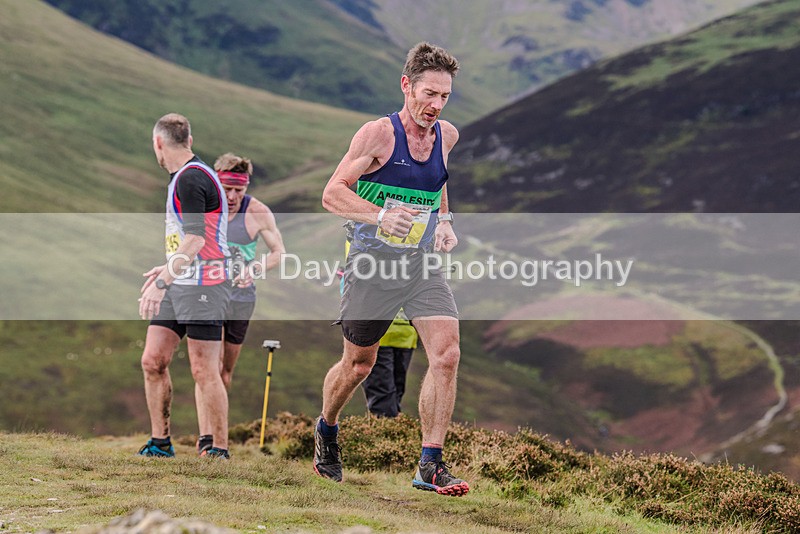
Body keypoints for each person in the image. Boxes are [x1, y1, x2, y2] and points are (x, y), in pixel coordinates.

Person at [316, 42, 469, 496]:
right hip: (371, 266)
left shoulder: (448, 136)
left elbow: (437, 181)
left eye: (444, 96)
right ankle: (326, 428)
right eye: (428, 94)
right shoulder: (377, 135)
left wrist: (443, 221)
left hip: (421, 265)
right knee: (359, 364)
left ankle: (430, 463)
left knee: (447, 354)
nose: (435, 106)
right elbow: (332, 193)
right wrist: (380, 215)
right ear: (406, 86)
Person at [137, 113, 232, 459]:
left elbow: (195, 240)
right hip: (181, 281)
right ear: (188, 140)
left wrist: (162, 281)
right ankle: (160, 442)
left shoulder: (191, 179)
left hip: (205, 285)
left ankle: (218, 448)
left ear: (158, 144)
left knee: (203, 369)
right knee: (153, 360)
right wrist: (166, 270)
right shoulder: (184, 176)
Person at [195, 153, 286, 455]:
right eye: (227, 189)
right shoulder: (205, 207)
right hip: (207, 293)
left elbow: (278, 253)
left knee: (224, 371)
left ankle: (215, 427)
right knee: (208, 366)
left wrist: (255, 268)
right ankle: (207, 437)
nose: (232, 197)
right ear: (217, 180)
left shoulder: (257, 212)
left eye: (239, 190)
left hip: (241, 298)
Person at [362, 310, 418, 418]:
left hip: (406, 336)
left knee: (396, 394)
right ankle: (387, 430)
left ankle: (391, 428)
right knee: (383, 398)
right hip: (377, 338)